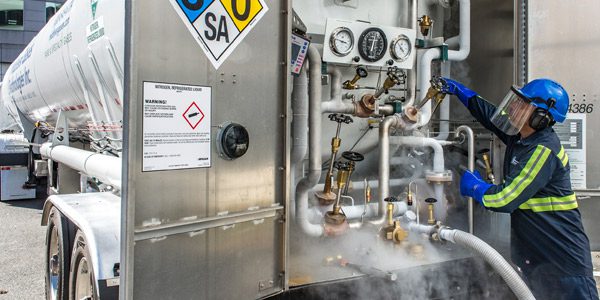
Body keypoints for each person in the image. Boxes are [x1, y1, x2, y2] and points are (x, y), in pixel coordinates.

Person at [441, 77, 598, 299]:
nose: (513, 107)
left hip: (563, 265)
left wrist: (476, 188)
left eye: (522, 104)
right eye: (516, 100)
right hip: (538, 262)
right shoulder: (523, 138)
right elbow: (493, 117)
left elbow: (505, 199)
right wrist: (463, 93)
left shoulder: (542, 151)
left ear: (541, 117)